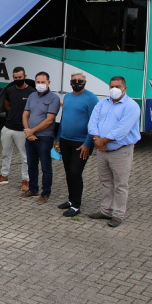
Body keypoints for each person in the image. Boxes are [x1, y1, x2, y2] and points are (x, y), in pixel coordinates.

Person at [87, 76, 141, 227]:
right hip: (102, 151)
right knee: (105, 182)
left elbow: (121, 130)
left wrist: (102, 141)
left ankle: (118, 215)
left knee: (120, 184)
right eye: (112, 86)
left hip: (121, 151)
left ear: (125, 88)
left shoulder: (132, 106)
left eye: (117, 86)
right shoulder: (102, 103)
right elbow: (93, 122)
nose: (114, 89)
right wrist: (97, 139)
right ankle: (105, 210)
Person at [55, 72, 99, 216]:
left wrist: (88, 143)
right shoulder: (67, 97)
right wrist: (58, 139)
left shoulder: (91, 98)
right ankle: (70, 199)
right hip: (65, 140)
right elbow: (63, 119)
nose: (77, 82)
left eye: (80, 80)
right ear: (70, 82)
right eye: (74, 80)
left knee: (75, 172)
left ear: (85, 82)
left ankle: (76, 205)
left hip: (81, 143)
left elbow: (94, 123)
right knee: (68, 172)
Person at [21, 71, 60, 203]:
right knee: (31, 164)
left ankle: (45, 193)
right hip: (30, 137)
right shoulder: (32, 96)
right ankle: (33, 189)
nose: (40, 84)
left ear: (48, 83)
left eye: (43, 82)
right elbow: (25, 114)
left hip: (44, 138)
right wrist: (27, 130)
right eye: (38, 82)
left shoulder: (54, 98)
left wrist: (32, 131)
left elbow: (49, 120)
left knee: (45, 166)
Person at [0, 67, 32, 191]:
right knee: (5, 153)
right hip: (8, 127)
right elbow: (7, 105)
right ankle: (4, 175)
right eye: (15, 78)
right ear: (13, 78)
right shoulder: (10, 90)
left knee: (25, 157)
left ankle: (26, 180)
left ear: (25, 76)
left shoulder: (31, 92)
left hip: (22, 129)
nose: (18, 79)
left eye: (20, 77)